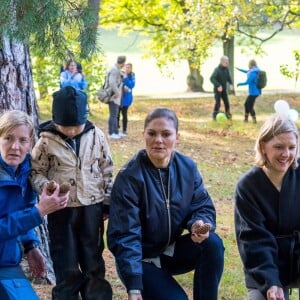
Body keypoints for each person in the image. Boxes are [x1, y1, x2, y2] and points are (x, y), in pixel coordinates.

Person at [107, 107, 224, 300]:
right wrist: (134, 286)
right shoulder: (130, 176)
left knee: (212, 244)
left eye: (166, 134)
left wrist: (199, 223)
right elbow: (125, 235)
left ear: (177, 137)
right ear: (143, 134)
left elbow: (202, 205)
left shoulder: (187, 167)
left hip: (169, 252)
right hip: (139, 260)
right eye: (152, 133)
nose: (158, 140)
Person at [30, 86, 113, 299]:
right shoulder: (45, 141)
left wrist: (106, 201)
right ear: (56, 121)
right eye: (67, 127)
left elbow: (107, 168)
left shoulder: (97, 136)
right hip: (61, 209)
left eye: (78, 125)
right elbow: (36, 172)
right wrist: (46, 186)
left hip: (91, 207)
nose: (73, 131)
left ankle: (96, 295)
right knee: (65, 261)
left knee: (92, 258)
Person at [0, 110, 69, 300]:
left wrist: (31, 246)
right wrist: (39, 211)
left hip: (6, 263)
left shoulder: (26, 172)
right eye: (8, 138)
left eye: (23, 140)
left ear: (31, 144)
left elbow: (22, 211)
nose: (15, 147)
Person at [234, 113, 300, 300]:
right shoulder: (247, 186)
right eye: (278, 147)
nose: (286, 154)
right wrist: (271, 281)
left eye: (291, 147)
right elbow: (253, 239)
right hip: (264, 262)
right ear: (263, 146)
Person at [106, 55, 126, 139]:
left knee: (115, 113)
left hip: (115, 96)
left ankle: (116, 132)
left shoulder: (117, 69)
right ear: (123, 63)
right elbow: (112, 83)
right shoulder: (114, 70)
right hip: (113, 96)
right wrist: (117, 93)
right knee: (113, 114)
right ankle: (111, 133)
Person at [210, 55, 234, 120]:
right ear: (222, 62)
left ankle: (228, 115)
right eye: (226, 62)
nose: (227, 63)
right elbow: (212, 78)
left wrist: (231, 84)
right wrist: (218, 85)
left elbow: (228, 77)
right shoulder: (217, 70)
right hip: (217, 90)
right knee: (218, 103)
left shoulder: (226, 69)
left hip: (224, 90)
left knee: (227, 103)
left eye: (228, 62)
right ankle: (214, 117)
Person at [118, 63, 136, 137]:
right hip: (119, 98)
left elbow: (131, 85)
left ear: (131, 69)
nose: (127, 69)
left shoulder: (132, 76)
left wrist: (125, 78)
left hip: (126, 99)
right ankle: (116, 129)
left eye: (128, 68)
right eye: (126, 67)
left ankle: (124, 130)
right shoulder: (120, 74)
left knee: (124, 114)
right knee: (117, 114)